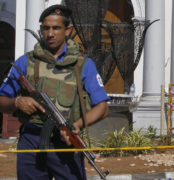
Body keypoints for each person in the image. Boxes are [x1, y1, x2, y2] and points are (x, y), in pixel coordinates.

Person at [0, 4, 109, 180]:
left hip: (66, 141)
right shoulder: (25, 62)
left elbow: (103, 108)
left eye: (56, 28)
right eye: (46, 28)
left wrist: (77, 126)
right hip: (31, 141)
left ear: (67, 30)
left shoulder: (83, 65)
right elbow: (1, 100)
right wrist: (16, 103)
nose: (50, 33)